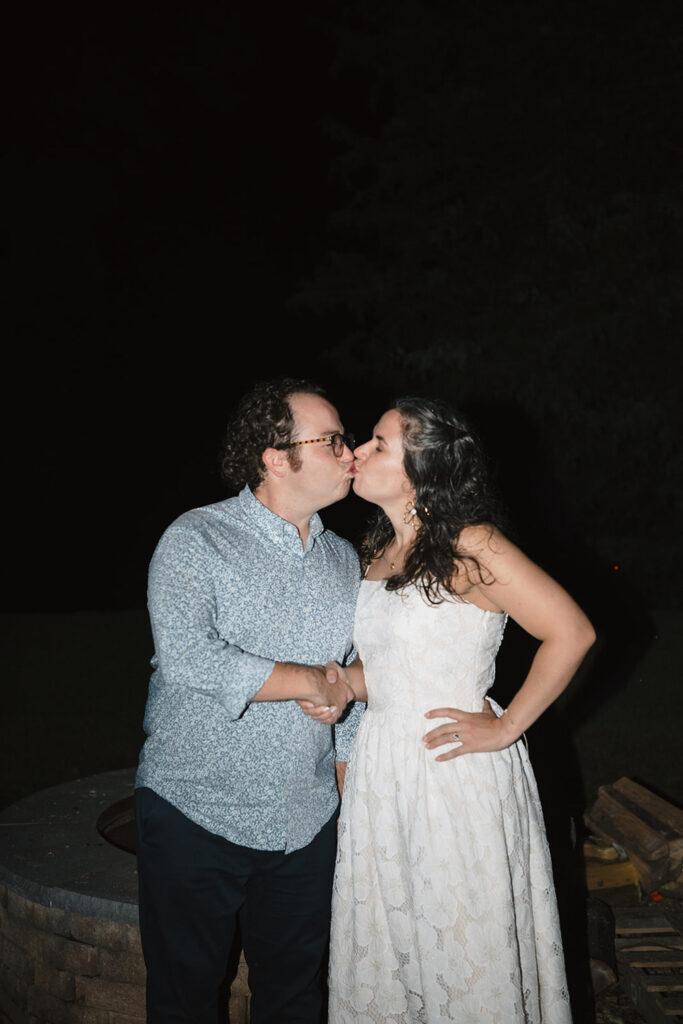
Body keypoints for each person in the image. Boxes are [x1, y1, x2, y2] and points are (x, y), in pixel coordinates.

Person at [304, 397, 596, 1023]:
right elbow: (391, 670)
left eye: (379, 444)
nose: (357, 452)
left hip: (451, 770)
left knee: (462, 943)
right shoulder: (378, 549)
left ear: (424, 467)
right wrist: (343, 688)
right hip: (383, 771)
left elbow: (571, 631)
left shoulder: (472, 544)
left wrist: (507, 726)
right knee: (397, 944)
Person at [134, 377, 363, 1024]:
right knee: (184, 1003)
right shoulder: (196, 538)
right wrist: (308, 682)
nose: (350, 452)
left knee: (295, 1001)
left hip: (305, 822)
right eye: (332, 440)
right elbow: (187, 657)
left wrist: (347, 806)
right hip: (194, 814)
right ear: (273, 456)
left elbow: (349, 691)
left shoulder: (344, 560)